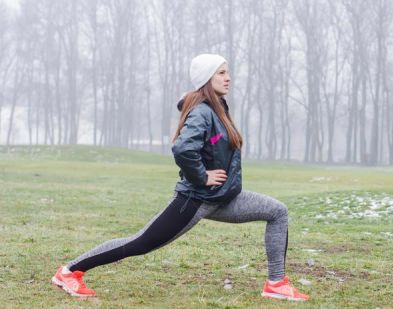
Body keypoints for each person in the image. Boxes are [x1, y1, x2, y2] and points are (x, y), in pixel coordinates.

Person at [51, 54, 309, 301]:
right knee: (142, 243)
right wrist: (202, 176)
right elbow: (183, 148)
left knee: (277, 211)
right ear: (207, 78)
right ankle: (70, 271)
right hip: (195, 200)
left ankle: (276, 283)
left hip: (223, 198)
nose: (228, 77)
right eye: (221, 73)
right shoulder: (202, 112)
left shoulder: (218, 108)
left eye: (227, 72)